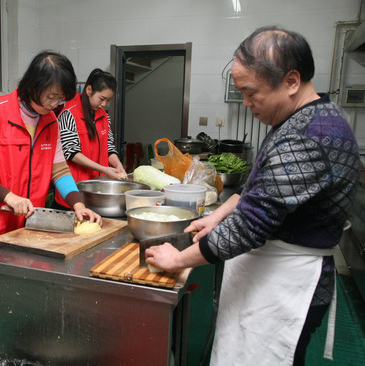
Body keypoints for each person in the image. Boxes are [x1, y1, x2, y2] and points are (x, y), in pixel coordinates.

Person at [145, 26, 360, 366]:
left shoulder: (309, 134)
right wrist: (217, 215)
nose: (246, 103)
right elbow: (257, 190)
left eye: (251, 93)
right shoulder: (303, 118)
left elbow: (251, 225)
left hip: (287, 281)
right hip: (273, 272)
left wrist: (178, 260)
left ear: (291, 81)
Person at [0, 51, 102, 251]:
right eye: (51, 97)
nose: (54, 105)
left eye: (60, 99)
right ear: (34, 86)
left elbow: (59, 171)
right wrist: (10, 197)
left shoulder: (51, 121)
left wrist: (78, 204)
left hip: (26, 226)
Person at [54, 68, 126, 209]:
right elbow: (71, 153)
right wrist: (105, 169)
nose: (104, 104)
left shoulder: (104, 116)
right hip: (73, 192)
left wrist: (117, 165)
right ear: (89, 90)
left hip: (96, 192)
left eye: (108, 100)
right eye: (102, 98)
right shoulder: (68, 114)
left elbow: (109, 147)